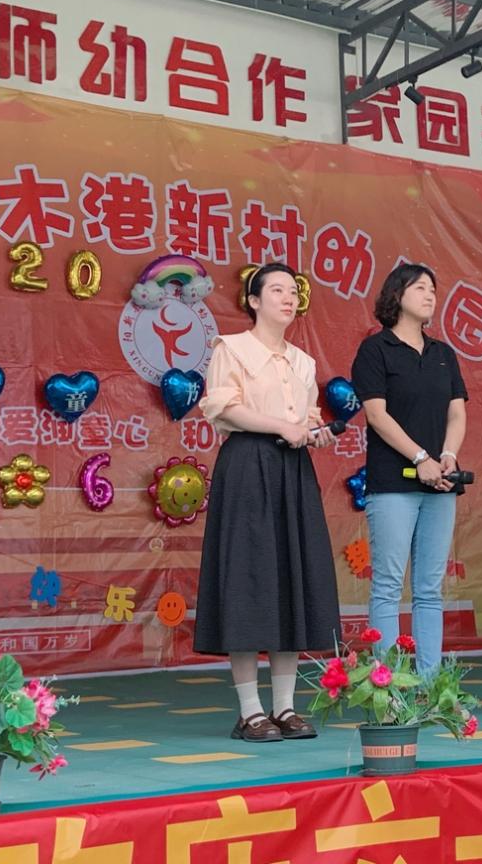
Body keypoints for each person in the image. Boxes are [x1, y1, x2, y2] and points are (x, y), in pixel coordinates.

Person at [194, 262, 341, 743]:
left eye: (293, 291)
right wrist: (281, 426)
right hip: (247, 466)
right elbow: (223, 407)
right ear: (254, 301)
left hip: (292, 471)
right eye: (276, 290)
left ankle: (285, 707)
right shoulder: (231, 348)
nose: (287, 298)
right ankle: (250, 710)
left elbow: (306, 416)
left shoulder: (303, 361)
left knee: (290, 578)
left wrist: (314, 432)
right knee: (247, 580)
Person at [351, 263, 467, 675]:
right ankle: (385, 684)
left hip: (441, 484)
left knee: (430, 590)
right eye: (420, 288)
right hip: (392, 484)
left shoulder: (443, 354)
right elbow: (377, 415)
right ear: (397, 295)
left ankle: (431, 683)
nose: (430, 295)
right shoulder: (375, 350)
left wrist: (448, 455)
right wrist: (420, 459)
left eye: (433, 288)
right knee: (387, 586)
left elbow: (457, 412)